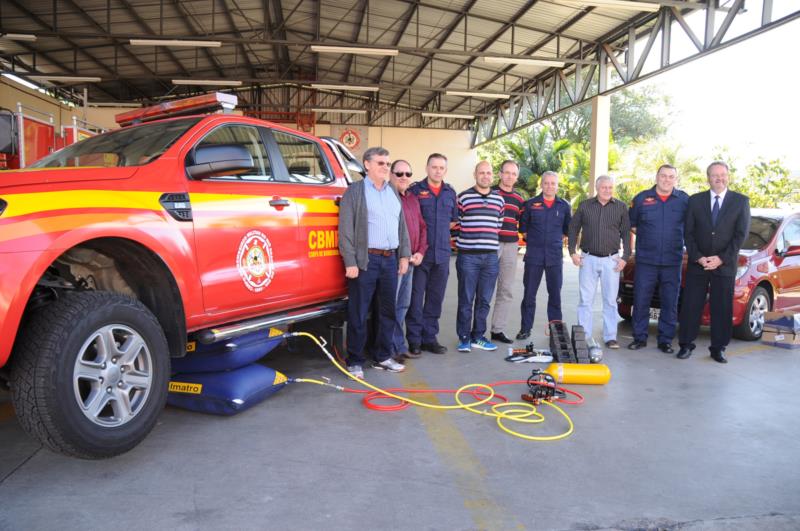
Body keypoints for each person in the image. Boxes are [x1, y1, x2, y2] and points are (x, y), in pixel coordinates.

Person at [338, 147, 411, 378]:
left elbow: (402, 226)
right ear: (367, 165)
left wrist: (404, 255)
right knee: (359, 312)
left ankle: (382, 356)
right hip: (366, 260)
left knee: (387, 312)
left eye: (387, 163)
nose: (385, 167)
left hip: (390, 260)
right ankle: (355, 360)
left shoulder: (392, 191)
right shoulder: (355, 191)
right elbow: (346, 230)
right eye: (380, 163)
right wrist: (350, 261)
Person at [677, 161, 750, 363]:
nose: (719, 178)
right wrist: (698, 257)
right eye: (715, 175)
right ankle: (686, 345)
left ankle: (718, 348)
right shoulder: (695, 201)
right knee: (691, 306)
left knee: (722, 307)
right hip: (697, 263)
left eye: (723, 175)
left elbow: (740, 235)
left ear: (728, 176)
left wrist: (721, 258)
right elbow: (688, 233)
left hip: (724, 265)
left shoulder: (740, 202)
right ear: (708, 178)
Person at [627, 165, 689, 354]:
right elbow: (633, 225)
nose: (667, 180)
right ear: (657, 177)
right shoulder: (641, 198)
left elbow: (690, 227)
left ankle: (665, 340)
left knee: (670, 302)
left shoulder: (684, 200)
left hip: (672, 261)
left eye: (671, 177)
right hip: (647, 260)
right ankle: (639, 338)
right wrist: (649, 238)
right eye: (663, 176)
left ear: (675, 180)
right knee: (641, 300)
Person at [567, 175, 631, 349]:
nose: (608, 190)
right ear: (597, 188)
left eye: (610, 187)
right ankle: (584, 337)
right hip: (588, 259)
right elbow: (573, 228)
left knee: (610, 300)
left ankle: (610, 337)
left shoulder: (620, 207)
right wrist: (573, 252)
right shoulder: (585, 206)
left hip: (612, 260)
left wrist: (625, 258)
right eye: (604, 187)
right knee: (585, 300)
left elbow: (626, 233)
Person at [406, 153, 459, 356]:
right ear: (427, 168)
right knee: (416, 299)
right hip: (420, 254)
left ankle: (430, 338)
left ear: (445, 170)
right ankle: (414, 339)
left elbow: (453, 221)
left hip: (442, 254)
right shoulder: (415, 191)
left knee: (435, 299)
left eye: (441, 168)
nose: (438, 171)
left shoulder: (449, 192)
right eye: (434, 167)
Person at [455, 161, 504, 352]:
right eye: (481, 172)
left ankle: (478, 336)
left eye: (489, 173)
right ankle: (464, 338)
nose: (485, 176)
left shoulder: (499, 200)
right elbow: (457, 224)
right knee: (466, 299)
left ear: (493, 176)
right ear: (475, 174)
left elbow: (497, 225)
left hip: (491, 257)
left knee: (484, 299)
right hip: (468, 257)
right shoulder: (464, 197)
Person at [517, 171, 572, 341]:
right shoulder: (531, 204)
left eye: (553, 183)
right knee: (529, 295)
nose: (549, 186)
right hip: (534, 256)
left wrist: (552, 241)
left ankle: (556, 330)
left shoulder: (564, 206)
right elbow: (523, 230)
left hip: (554, 257)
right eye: (546, 183)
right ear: (541, 185)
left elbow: (566, 231)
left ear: (557, 185)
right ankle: (525, 329)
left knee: (555, 294)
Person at [389, 159, 427, 360]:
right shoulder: (386, 197)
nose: (404, 177)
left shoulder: (412, 199)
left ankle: (398, 346)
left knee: (403, 305)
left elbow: (422, 227)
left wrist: (420, 251)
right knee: (390, 306)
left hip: (411, 261)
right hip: (394, 261)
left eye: (408, 174)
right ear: (391, 174)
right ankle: (389, 348)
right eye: (399, 173)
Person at [489, 160, 525, 344]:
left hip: (511, 247)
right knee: (485, 288)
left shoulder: (519, 199)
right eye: (507, 172)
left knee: (506, 290)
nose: (510, 176)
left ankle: (497, 330)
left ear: (516, 177)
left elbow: (520, 222)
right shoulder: (490, 193)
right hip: (490, 245)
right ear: (500, 173)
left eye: (513, 174)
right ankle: (476, 331)